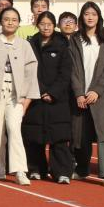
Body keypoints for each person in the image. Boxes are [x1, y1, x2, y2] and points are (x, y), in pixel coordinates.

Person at [67, 2, 104, 186]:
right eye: (86, 14)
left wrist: (97, 90)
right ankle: (82, 169)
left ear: (99, 17)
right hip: (80, 95)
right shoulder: (74, 39)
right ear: (82, 17)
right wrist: (79, 93)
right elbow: (72, 68)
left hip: (101, 96)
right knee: (81, 133)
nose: (90, 17)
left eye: (93, 14)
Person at [23, 11, 74, 183]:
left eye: (49, 24)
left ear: (54, 26)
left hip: (57, 99)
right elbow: (29, 71)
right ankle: (36, 169)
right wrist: (41, 91)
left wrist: (52, 92)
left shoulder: (62, 45)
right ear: (37, 25)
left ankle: (62, 172)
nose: (46, 27)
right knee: (34, 136)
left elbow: (65, 73)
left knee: (59, 137)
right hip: (35, 97)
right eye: (42, 24)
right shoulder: (31, 44)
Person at [0, 7, 36, 185]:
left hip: (16, 95)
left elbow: (31, 73)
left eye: (14, 20)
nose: (10, 22)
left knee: (14, 129)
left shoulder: (24, 45)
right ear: (0, 21)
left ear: (18, 23)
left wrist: (26, 99)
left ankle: (20, 170)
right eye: (6, 19)